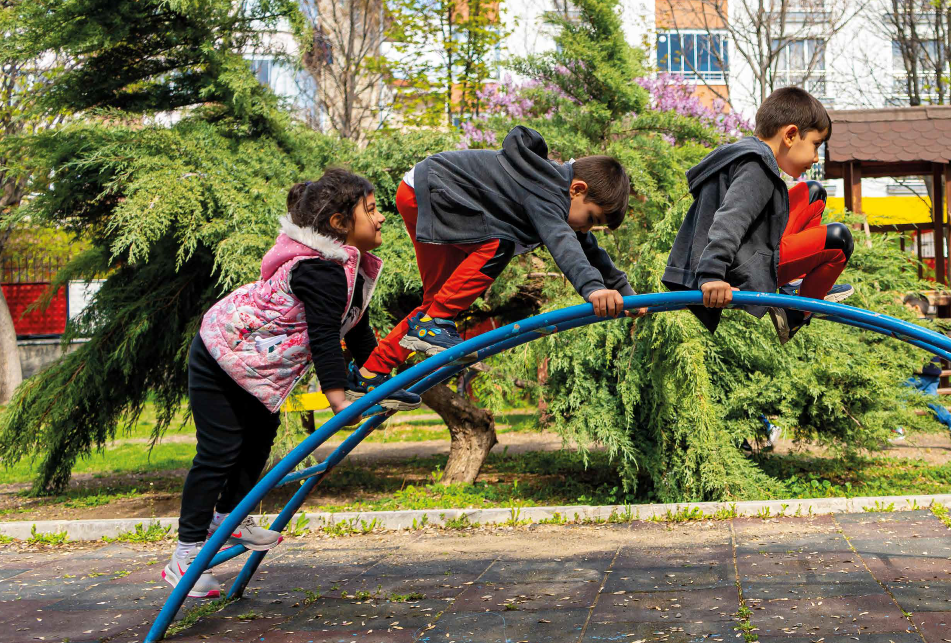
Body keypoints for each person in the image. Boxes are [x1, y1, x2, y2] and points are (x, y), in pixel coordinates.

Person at [165, 169, 421, 598]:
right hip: (221, 353)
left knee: (260, 440)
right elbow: (324, 339)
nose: (381, 219)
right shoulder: (319, 270)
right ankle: (185, 553)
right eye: (372, 210)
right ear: (340, 224)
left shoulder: (350, 269)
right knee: (220, 451)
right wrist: (341, 403)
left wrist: (378, 378)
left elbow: (354, 329)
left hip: (253, 367)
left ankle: (230, 518)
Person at [360, 125, 638, 380]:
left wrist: (625, 292)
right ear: (577, 189)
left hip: (421, 192)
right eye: (591, 218)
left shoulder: (555, 192)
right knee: (498, 246)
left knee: (438, 303)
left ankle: (371, 373)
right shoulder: (549, 190)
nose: (586, 228)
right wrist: (593, 289)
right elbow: (563, 242)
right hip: (434, 193)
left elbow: (589, 250)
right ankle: (435, 323)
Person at [664, 86, 853, 342]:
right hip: (735, 269)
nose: (816, 158)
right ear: (790, 135)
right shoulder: (757, 167)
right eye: (815, 145)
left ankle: (790, 290)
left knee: (813, 193)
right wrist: (711, 275)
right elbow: (731, 219)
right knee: (839, 240)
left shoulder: (752, 155)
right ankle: (796, 313)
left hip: (749, 255)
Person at [890, 296, 951, 449]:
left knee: (899, 393)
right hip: (933, 371)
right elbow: (947, 342)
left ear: (916, 308)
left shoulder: (917, 325)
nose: (904, 312)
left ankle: (897, 428)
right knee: (931, 400)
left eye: (906, 308)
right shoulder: (934, 325)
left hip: (921, 371)